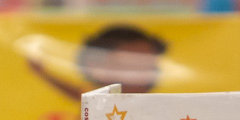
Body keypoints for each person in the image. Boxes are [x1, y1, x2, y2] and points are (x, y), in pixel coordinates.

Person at [23, 23, 169, 98]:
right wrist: (45, 74)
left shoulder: (148, 106)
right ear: (94, 66)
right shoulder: (98, 98)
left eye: (147, 66)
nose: (136, 76)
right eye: (126, 66)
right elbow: (75, 92)